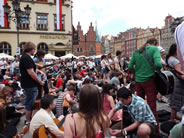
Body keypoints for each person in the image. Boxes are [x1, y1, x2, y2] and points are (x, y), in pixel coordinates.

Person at [128, 38, 162, 134]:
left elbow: (130, 66)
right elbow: (158, 64)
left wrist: (137, 73)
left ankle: (140, 131)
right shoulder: (155, 49)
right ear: (155, 43)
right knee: (152, 108)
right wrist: (154, 71)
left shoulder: (136, 51)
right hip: (149, 81)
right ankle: (155, 133)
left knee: (139, 107)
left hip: (138, 82)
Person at [19, 42, 45, 125]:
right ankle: (28, 121)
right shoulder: (26, 58)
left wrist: (39, 71)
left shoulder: (27, 57)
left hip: (29, 84)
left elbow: (32, 69)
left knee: (30, 101)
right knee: (30, 102)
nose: (35, 50)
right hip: (29, 84)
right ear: (31, 49)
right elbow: (31, 72)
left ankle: (29, 119)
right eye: (34, 49)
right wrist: (40, 81)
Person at [166, 44, 184, 123]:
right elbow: (179, 73)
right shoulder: (175, 61)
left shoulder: (169, 59)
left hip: (172, 81)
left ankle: (175, 116)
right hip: (177, 83)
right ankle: (172, 118)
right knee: (176, 100)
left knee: (174, 99)